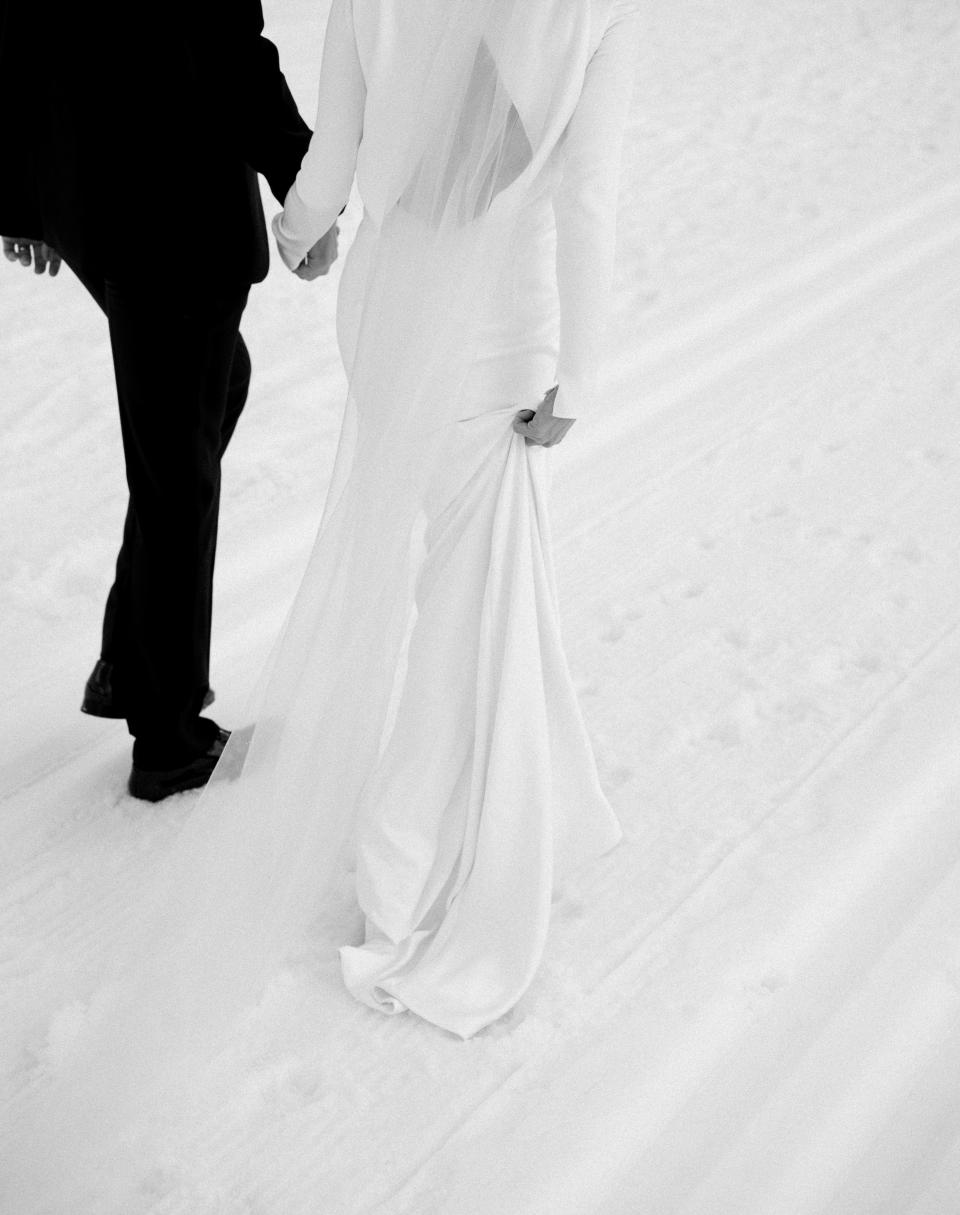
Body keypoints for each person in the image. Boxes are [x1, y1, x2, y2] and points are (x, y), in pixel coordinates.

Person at [0, 0, 339, 801]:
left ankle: (132, 658)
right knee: (177, 470)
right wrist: (306, 187)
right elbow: (230, 46)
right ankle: (171, 736)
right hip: (173, 208)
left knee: (206, 396)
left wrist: (21, 197)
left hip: (90, 193)